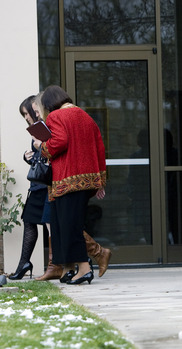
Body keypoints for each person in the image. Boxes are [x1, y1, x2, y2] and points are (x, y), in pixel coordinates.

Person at [33, 85, 107, 285]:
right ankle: (67, 268)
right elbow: (99, 147)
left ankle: (83, 268)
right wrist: (100, 181)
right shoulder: (85, 116)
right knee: (64, 224)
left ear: (50, 103)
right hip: (87, 180)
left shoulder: (56, 116)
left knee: (68, 226)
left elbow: (59, 142)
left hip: (66, 180)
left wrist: (41, 146)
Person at [8, 96, 50, 280]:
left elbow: (50, 154)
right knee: (31, 221)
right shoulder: (37, 129)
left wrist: (37, 150)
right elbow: (40, 158)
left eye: (26, 113)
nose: (26, 117)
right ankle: (24, 264)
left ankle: (89, 255)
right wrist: (28, 157)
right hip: (38, 185)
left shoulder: (45, 127)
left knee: (52, 224)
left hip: (44, 185)